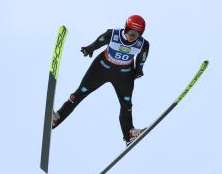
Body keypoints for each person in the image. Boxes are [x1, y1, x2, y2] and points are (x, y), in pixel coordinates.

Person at [52, 15, 150, 146]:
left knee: (127, 105)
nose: (132, 36)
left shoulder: (143, 44)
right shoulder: (113, 34)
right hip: (101, 68)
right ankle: (56, 118)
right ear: (125, 28)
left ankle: (129, 134)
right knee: (80, 93)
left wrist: (138, 71)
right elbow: (99, 42)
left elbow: (141, 60)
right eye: (130, 32)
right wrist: (89, 48)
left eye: (136, 34)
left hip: (124, 75)